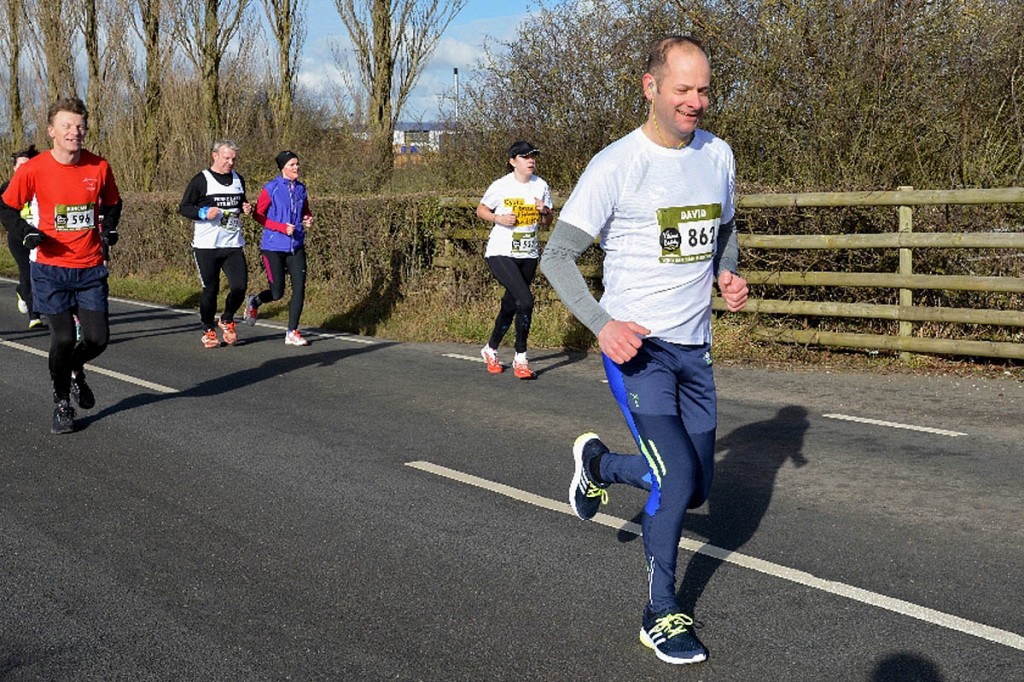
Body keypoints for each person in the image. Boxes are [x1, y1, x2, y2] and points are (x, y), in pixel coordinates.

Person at [540, 36, 748, 665]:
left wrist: (726, 272)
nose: (695, 102)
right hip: (638, 351)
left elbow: (725, 228)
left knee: (695, 488)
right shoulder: (616, 165)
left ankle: (599, 466)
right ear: (650, 87)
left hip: (695, 349)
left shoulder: (717, 155)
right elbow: (557, 257)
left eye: (704, 89)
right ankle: (660, 613)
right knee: (674, 476)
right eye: (683, 89)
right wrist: (602, 326)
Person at [0, 97, 122, 434]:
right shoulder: (33, 169)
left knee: (97, 339)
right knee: (64, 338)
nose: (75, 132)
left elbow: (113, 203)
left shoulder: (99, 167)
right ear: (51, 131)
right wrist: (25, 232)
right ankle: (62, 402)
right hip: (50, 269)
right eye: (67, 125)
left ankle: (74, 369)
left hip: (90, 267)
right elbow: (6, 208)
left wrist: (109, 228)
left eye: (80, 126)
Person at [476, 140, 553, 379]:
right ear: (512, 161)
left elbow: (547, 221)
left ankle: (490, 349)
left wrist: (545, 211)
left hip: (527, 253)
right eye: (525, 157)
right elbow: (481, 209)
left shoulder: (541, 185)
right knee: (526, 301)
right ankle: (521, 357)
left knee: (511, 305)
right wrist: (498, 218)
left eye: (533, 156)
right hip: (501, 251)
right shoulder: (501, 185)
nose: (531, 160)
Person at [179, 140, 253, 348]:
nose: (231, 162)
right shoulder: (201, 180)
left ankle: (227, 319)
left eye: (234, 159)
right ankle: (208, 329)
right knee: (211, 290)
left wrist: (245, 207)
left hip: (232, 244)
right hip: (207, 246)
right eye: (226, 158)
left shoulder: (238, 179)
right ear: (215, 156)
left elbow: (241, 202)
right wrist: (203, 212)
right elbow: (184, 207)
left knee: (239, 286)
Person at [244, 150, 313, 346]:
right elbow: (258, 215)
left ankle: (292, 332)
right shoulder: (271, 188)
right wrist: (280, 227)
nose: (296, 167)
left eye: (297, 164)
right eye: (292, 165)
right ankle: (255, 301)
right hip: (273, 246)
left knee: (299, 288)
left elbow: (305, 211)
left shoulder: (301, 188)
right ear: (283, 167)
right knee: (277, 293)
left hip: (296, 245)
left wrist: (308, 219)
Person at [1, 145, 44, 329]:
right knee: (27, 271)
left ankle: (21, 290)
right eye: (20, 166)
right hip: (18, 236)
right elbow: (5, 214)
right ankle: (34, 316)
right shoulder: (7, 187)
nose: (24, 169)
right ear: (14, 168)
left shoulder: (42, 185)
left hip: (40, 235)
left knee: (42, 273)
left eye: (28, 165)